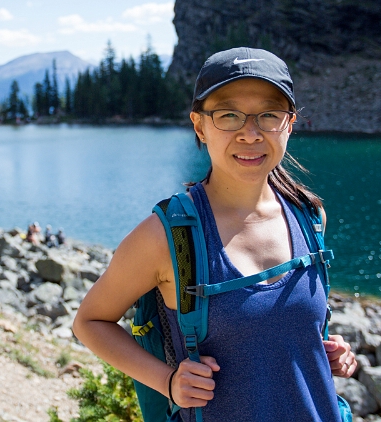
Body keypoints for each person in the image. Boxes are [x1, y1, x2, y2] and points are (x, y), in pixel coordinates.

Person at [73, 47, 358, 421]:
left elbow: (287, 335)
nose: (250, 133)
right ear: (200, 126)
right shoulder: (166, 236)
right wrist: (168, 381)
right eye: (228, 116)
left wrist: (329, 352)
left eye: (269, 115)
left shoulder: (310, 217)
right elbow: (90, 322)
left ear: (289, 124)